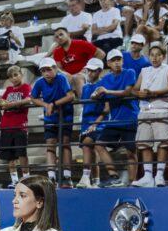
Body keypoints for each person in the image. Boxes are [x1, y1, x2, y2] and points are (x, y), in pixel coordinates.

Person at [93, 49, 140, 187]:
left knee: (131, 152)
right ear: (108, 63)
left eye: (118, 59)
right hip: (114, 121)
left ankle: (131, 183)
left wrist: (106, 91)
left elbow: (127, 92)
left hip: (130, 119)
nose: (117, 63)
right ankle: (114, 176)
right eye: (113, 60)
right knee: (99, 144)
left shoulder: (129, 72)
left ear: (122, 61)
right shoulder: (105, 79)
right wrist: (95, 95)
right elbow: (96, 93)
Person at [132, 44, 168, 187]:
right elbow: (134, 89)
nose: (155, 58)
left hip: (162, 109)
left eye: (158, 55)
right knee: (144, 143)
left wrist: (154, 93)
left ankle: (159, 175)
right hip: (145, 111)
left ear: (163, 56)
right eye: (152, 55)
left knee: (162, 143)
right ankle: (147, 176)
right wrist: (139, 94)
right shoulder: (144, 71)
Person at [31, 58, 76, 185]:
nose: (46, 73)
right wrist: (46, 105)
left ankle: (67, 176)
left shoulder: (61, 78)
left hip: (65, 115)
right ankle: (51, 176)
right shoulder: (39, 82)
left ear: (55, 69)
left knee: (65, 142)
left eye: (49, 69)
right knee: (50, 143)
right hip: (50, 117)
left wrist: (53, 104)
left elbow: (71, 96)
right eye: (43, 70)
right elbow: (33, 98)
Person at [0, 66, 33, 186]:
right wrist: (4, 104)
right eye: (11, 76)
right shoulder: (8, 89)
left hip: (19, 126)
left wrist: (11, 104)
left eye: (16, 75)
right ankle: (14, 180)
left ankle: (26, 179)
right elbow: (1, 102)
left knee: (22, 154)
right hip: (6, 126)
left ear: (21, 75)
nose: (14, 78)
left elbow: (28, 99)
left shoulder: (26, 87)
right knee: (10, 156)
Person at [76, 58, 107, 188]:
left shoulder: (103, 86)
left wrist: (95, 124)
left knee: (86, 144)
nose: (89, 73)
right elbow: (84, 105)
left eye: (93, 70)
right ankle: (96, 181)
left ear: (100, 71)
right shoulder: (85, 87)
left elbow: (106, 109)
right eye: (88, 70)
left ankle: (85, 177)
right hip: (86, 123)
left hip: (99, 122)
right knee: (91, 150)